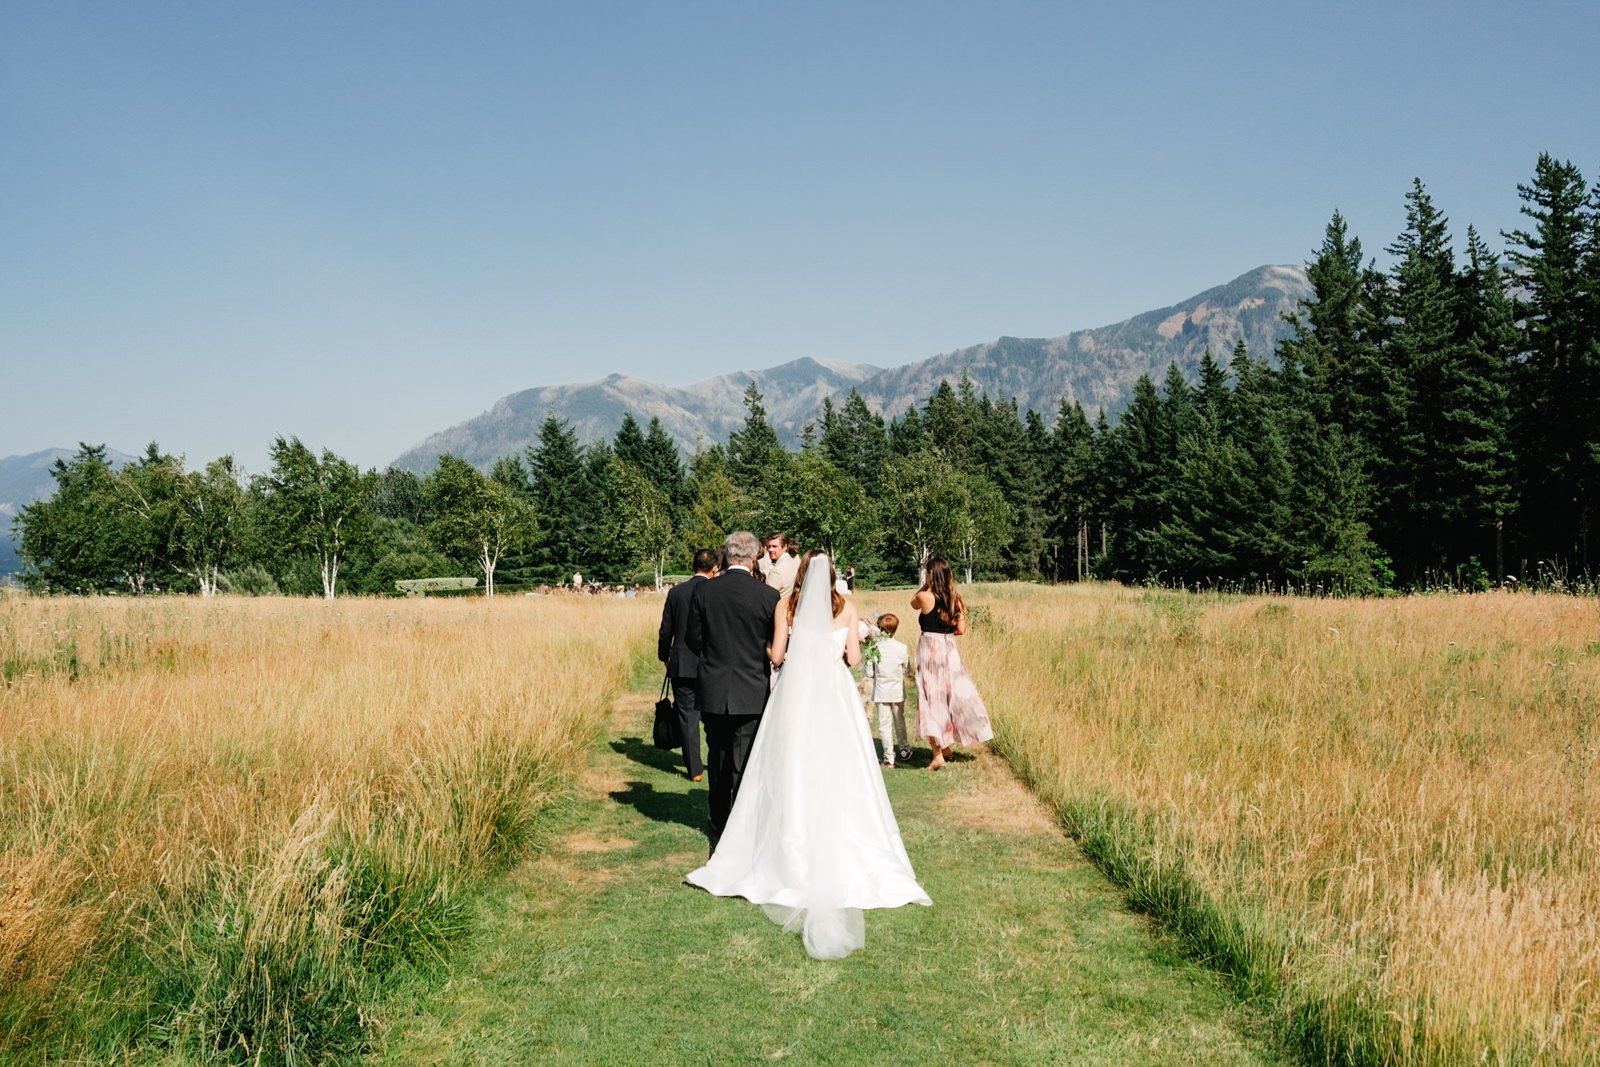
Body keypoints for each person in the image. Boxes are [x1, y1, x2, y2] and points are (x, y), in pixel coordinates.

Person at [686, 551, 930, 959]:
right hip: (834, 697)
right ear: (833, 577)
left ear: (801, 574)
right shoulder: (847, 608)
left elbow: (777, 657)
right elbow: (852, 659)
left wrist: (773, 649)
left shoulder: (787, 605)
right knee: (840, 770)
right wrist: (850, 645)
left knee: (790, 767)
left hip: (796, 697)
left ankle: (789, 850)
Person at [687, 531, 781, 839]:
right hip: (751, 685)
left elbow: (693, 639)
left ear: (726, 556)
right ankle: (742, 821)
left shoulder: (704, 592)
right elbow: (771, 643)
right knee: (745, 757)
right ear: (755, 557)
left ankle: (718, 817)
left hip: (714, 684)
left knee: (717, 755)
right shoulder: (768, 596)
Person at [910, 557, 993, 771]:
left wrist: (927, 584)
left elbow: (912, 603)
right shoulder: (956, 599)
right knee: (950, 696)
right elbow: (962, 629)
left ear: (930, 574)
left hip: (930, 651)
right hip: (949, 650)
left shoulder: (924, 596)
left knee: (930, 698)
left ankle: (938, 753)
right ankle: (946, 746)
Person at [658, 548, 717, 782]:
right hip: (710, 662)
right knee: (712, 717)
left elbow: (666, 630)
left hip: (682, 662)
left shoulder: (676, 592)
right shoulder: (715, 591)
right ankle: (716, 761)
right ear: (714, 568)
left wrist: (665, 657)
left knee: (687, 716)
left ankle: (694, 769)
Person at [865, 613, 912, 768]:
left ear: (880, 628)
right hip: (897, 691)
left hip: (881, 691)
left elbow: (869, 673)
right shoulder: (902, 648)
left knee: (884, 724)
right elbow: (906, 670)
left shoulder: (874, 648)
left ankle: (889, 757)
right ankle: (904, 749)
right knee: (900, 720)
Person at [757, 531, 800, 599]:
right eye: (769, 546)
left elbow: (767, 598)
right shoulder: (796, 559)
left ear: (785, 547)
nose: (770, 550)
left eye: (774, 546)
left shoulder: (777, 571)